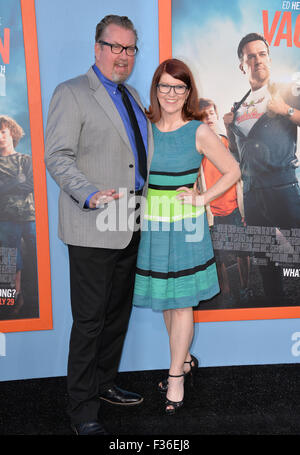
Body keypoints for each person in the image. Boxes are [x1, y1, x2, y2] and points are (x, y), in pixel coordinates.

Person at [45, 15, 153, 435]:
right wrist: (89, 194)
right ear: (97, 47)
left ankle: (105, 384)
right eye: (115, 47)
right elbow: (57, 156)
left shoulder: (131, 95)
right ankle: (82, 411)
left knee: (116, 314)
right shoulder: (71, 93)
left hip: (131, 216)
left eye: (129, 49)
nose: (122, 56)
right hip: (94, 218)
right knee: (90, 321)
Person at [133, 59, 240, 415]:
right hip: (153, 224)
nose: (171, 94)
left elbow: (233, 170)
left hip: (186, 226)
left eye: (178, 87)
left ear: (188, 91)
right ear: (156, 89)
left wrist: (202, 198)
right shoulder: (144, 127)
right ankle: (186, 360)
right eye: (164, 86)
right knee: (166, 300)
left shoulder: (198, 131)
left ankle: (175, 375)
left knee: (181, 303)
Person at [223, 32, 300, 301]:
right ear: (242, 65)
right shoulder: (238, 106)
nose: (258, 60)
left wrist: (287, 111)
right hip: (253, 195)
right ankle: (275, 314)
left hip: (284, 188)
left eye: (262, 54)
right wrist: (228, 130)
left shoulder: (288, 92)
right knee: (267, 263)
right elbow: (237, 154)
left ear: (269, 58)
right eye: (250, 56)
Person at [198, 98, 251, 305]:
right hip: (213, 212)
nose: (208, 118)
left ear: (216, 115)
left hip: (235, 208)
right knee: (217, 258)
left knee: (242, 252)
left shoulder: (227, 141)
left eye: (211, 113)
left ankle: (246, 288)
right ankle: (226, 292)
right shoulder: (198, 149)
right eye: (203, 115)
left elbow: (243, 167)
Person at [0, 115, 36, 316]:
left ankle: (32, 299)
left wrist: (10, 184)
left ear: (11, 133)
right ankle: (7, 302)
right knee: (7, 262)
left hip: (30, 216)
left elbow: (32, 183)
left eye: (3, 132)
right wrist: (17, 182)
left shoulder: (26, 160)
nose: (0, 137)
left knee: (37, 257)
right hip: (5, 218)